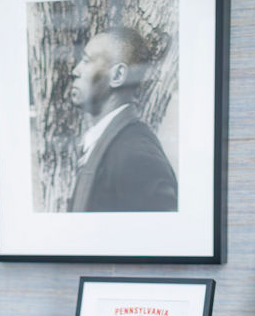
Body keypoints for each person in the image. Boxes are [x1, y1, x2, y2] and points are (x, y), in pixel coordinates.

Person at [68, 26, 177, 213]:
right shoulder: (110, 142)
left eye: (87, 61)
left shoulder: (137, 156)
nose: (75, 71)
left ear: (117, 76)